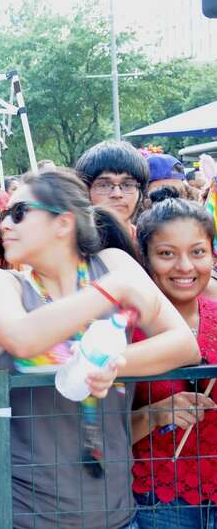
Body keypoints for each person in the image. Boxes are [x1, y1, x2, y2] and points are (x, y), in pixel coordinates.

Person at [0, 168, 201, 529]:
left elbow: (184, 345)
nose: (5, 225)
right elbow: (22, 338)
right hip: (21, 513)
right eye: (5, 215)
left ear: (62, 222)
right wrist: (111, 291)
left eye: (19, 213)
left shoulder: (113, 264)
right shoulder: (1, 283)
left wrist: (113, 363)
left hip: (113, 513)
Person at [130, 190, 217, 526]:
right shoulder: (124, 329)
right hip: (160, 499)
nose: (184, 267)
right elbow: (99, 429)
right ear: (146, 257)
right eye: (167, 253)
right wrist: (155, 414)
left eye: (197, 252)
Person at [75, 140, 149, 235]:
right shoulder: (70, 247)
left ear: (141, 193)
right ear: (85, 191)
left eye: (127, 185)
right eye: (104, 185)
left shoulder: (151, 245)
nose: (117, 194)